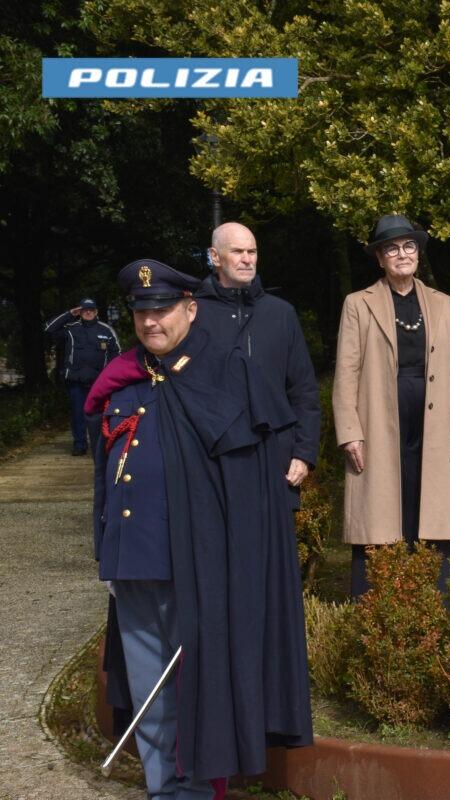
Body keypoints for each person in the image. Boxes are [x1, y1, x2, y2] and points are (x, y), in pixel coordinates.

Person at [86, 259, 311, 798]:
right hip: (135, 561)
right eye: (141, 313)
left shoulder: (229, 376)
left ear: (191, 308)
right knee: (149, 693)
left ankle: (192, 789)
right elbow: (107, 476)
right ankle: (164, 789)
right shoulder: (125, 380)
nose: (150, 322)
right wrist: (106, 552)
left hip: (198, 565)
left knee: (197, 690)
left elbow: (255, 490)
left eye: (162, 310)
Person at [332, 214, 450, 597]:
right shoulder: (357, 304)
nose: (402, 254)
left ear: (418, 252)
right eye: (391, 248)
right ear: (379, 258)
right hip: (379, 417)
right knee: (380, 509)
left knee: (431, 509)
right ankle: (376, 604)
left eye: (408, 246)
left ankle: (435, 603)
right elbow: (346, 371)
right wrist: (350, 432)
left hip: (435, 417)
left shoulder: (442, 303)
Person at [193, 221, 321, 508]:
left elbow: (303, 390)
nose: (247, 259)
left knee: (274, 551)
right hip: (212, 460)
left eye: (252, 251)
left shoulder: (281, 313)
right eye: (237, 251)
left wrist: (303, 452)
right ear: (215, 257)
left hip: (276, 457)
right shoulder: (193, 314)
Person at [44, 297, 121, 454]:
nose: (88, 312)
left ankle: (100, 445)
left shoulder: (106, 330)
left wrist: (111, 377)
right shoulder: (71, 329)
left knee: (100, 415)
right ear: (80, 312)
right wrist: (69, 314)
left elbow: (117, 355)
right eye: (84, 310)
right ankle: (79, 445)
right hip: (75, 381)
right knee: (78, 414)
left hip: (99, 383)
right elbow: (49, 329)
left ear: (96, 311)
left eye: (91, 310)